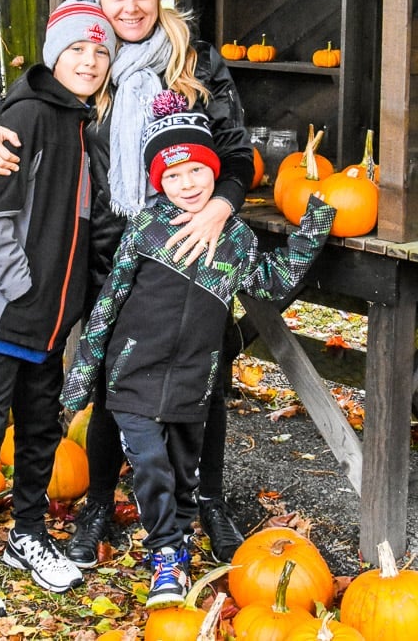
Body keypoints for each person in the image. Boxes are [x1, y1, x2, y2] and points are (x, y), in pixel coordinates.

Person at [0, 0, 255, 566]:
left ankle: (206, 499)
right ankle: (98, 500)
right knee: (109, 379)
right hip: (104, 251)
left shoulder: (196, 61)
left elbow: (236, 151)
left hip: (188, 245)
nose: (130, 7)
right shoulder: (87, 55)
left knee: (201, 379)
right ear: (100, 0)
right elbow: (18, 106)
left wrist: (220, 205)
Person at [61, 93, 336, 608]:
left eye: (197, 171)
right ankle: (168, 557)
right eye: (172, 175)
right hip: (133, 373)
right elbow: (110, 299)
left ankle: (180, 533)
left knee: (182, 470)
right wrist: (83, 373)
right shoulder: (145, 228)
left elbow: (273, 284)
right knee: (150, 465)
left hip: (194, 377)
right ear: (157, 181)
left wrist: (313, 225)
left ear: (214, 169)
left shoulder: (234, 239)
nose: (187, 183)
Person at [0, 0, 117, 621]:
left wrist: (66, 303)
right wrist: (26, 290)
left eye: (100, 49)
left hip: (47, 323)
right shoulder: (25, 118)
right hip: (0, 316)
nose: (90, 59)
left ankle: (27, 535)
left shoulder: (76, 120)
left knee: (41, 430)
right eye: (77, 48)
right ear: (52, 55)